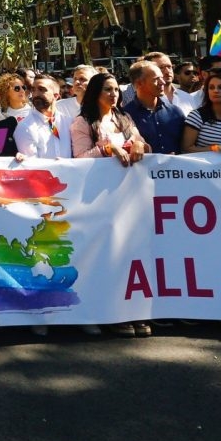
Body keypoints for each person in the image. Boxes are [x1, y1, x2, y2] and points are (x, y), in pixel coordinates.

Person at [70, 73, 149, 337]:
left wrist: (139, 144)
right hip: (98, 200)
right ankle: (112, 313)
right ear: (95, 92)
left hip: (129, 198)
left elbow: (142, 144)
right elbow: (79, 158)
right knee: (106, 256)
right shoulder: (82, 123)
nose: (114, 94)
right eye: (107, 89)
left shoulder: (124, 119)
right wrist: (107, 149)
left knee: (131, 255)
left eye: (116, 89)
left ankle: (134, 310)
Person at [122, 61, 187, 155]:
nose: (163, 82)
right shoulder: (125, 116)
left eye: (162, 78)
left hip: (177, 169)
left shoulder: (175, 112)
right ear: (139, 83)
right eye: (156, 79)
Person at [181, 72, 221, 154]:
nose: (215, 90)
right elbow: (186, 148)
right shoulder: (197, 116)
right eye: (211, 87)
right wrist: (215, 148)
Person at [14, 74, 71, 160]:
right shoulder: (25, 127)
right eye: (33, 90)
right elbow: (31, 166)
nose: (36, 94)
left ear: (56, 96)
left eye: (42, 90)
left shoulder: (69, 122)